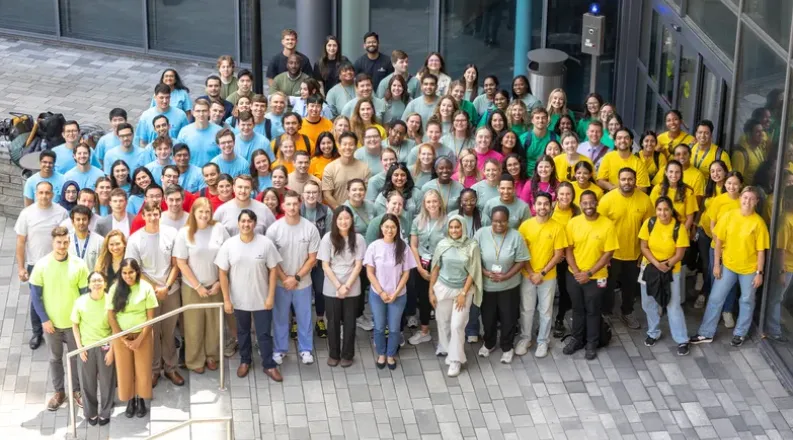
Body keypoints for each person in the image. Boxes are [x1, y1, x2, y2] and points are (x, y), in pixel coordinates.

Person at [691, 187, 769, 347]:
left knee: (747, 301)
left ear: (756, 202)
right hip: (728, 266)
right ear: (740, 198)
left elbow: (761, 252)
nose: (747, 201)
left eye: (751, 199)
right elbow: (718, 241)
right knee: (715, 298)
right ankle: (706, 333)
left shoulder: (759, 223)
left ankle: (740, 334)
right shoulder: (729, 216)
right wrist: (717, 264)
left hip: (749, 270)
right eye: (745, 197)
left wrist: (759, 273)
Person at [216, 209, 283, 381]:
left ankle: (269, 365)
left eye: (250, 221)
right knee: (243, 332)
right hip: (239, 300)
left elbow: (273, 270)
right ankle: (245, 361)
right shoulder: (229, 245)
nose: (246, 224)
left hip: (261, 298)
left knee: (264, 334)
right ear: (238, 223)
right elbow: (222, 273)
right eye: (243, 221)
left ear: (255, 224)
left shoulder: (266, 244)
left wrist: (270, 296)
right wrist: (226, 299)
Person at [30, 226, 89, 411]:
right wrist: (44, 319)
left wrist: (80, 321)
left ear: (69, 242)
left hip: (73, 325)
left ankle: (76, 391)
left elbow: (84, 295)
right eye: (58, 242)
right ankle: (59, 392)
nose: (62, 246)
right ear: (52, 242)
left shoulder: (79, 265)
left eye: (65, 242)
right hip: (52, 326)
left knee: (75, 358)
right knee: (55, 359)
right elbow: (35, 296)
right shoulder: (42, 265)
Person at [124, 201, 182, 388]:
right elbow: (135, 270)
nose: (152, 217)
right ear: (143, 216)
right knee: (152, 332)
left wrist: (167, 286)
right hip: (147, 294)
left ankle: (171, 367)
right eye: (148, 214)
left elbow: (176, 264)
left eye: (155, 214)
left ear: (160, 214)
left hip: (170, 290)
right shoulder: (135, 239)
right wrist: (154, 288)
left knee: (169, 330)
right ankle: (154, 369)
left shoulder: (171, 234)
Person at [174, 198, 229, 375]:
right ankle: (195, 359)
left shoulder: (219, 229)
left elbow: (228, 254)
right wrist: (197, 286)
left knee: (214, 323)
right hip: (192, 287)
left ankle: (212, 355)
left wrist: (220, 282)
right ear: (193, 213)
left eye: (207, 211)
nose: (205, 215)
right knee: (193, 325)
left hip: (215, 284)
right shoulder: (185, 233)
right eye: (201, 212)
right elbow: (181, 263)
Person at [267, 190, 321, 365]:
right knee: (280, 317)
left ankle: (306, 349)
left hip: (303, 283)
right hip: (281, 284)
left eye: (295, 203)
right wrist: (285, 278)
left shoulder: (310, 228)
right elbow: (271, 259)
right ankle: (280, 349)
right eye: (288, 204)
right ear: (282, 206)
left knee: (304, 317)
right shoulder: (274, 229)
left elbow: (312, 258)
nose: (292, 207)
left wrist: (296, 278)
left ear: (300, 204)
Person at [563, 191, 619, 360]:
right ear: (580, 204)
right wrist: (577, 271)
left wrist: (589, 273)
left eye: (591, 202)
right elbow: (568, 249)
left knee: (593, 310)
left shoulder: (607, 225)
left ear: (596, 203)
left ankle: (592, 343)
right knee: (578, 309)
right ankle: (577, 339)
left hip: (597, 277)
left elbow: (608, 253)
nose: (588, 206)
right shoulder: (573, 223)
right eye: (585, 203)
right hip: (574, 275)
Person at [16, 181, 69, 349]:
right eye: (41, 193)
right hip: (35, 264)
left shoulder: (61, 212)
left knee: (59, 295)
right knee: (36, 300)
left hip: (58, 261)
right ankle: (37, 332)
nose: (44, 196)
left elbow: (68, 237)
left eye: (47, 192)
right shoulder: (27, 214)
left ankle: (61, 329)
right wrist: (21, 267)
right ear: (36, 194)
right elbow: (20, 241)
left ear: (52, 194)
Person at [598, 168, 653, 327]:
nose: (627, 182)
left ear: (635, 181)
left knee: (630, 287)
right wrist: (602, 254)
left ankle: (627, 312)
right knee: (608, 286)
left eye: (630, 179)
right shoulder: (607, 199)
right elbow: (600, 227)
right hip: (611, 254)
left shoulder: (644, 200)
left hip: (634, 253)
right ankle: (606, 312)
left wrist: (645, 252)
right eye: (623, 179)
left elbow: (649, 228)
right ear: (618, 180)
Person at [474, 206, 530, 364]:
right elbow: (473, 258)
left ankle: (507, 347)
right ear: (491, 220)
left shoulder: (516, 236)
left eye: (503, 221)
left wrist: (506, 276)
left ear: (508, 220)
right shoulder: (481, 234)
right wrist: (485, 272)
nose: (499, 224)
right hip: (487, 286)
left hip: (509, 286)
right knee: (488, 318)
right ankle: (489, 343)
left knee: (508, 318)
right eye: (496, 221)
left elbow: (522, 260)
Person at [516, 193, 568, 358]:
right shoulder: (525, 226)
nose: (543, 207)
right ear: (534, 205)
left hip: (548, 276)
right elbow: (521, 253)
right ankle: (525, 339)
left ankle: (542, 341)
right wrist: (532, 273)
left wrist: (542, 273)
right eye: (539, 204)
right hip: (527, 275)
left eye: (546, 204)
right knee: (527, 309)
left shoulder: (557, 227)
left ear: (551, 205)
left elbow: (558, 254)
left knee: (545, 310)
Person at [638, 197, 691, 355]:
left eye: (666, 209)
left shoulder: (678, 228)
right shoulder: (650, 223)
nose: (663, 213)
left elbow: (680, 253)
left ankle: (682, 340)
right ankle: (653, 332)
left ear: (671, 210)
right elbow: (643, 246)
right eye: (659, 210)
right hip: (649, 268)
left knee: (673, 305)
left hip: (671, 270)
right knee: (647, 302)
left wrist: (666, 264)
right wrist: (656, 263)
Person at [430, 215, 482, 376]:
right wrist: (431, 290)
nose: (454, 230)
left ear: (463, 227)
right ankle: (445, 347)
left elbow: (473, 271)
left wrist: (464, 293)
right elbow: (436, 268)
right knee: (443, 321)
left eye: (457, 227)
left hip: (462, 291)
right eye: (451, 227)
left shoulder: (472, 246)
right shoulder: (442, 244)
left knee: (457, 325)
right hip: (443, 288)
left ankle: (455, 360)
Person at [106, 258, 157, 418]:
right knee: (125, 369)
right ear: (120, 273)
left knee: (142, 369)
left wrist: (139, 340)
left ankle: (141, 398)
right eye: (125, 273)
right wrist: (122, 339)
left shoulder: (146, 288)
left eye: (131, 272)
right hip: (122, 336)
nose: (128, 276)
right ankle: (130, 400)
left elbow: (151, 318)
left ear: (137, 272)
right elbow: (111, 316)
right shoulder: (115, 289)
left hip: (143, 335)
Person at [365, 214, 416, 370]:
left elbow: (406, 273)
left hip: (397, 295)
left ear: (397, 229)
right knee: (379, 326)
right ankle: (381, 353)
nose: (389, 230)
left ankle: (390, 354)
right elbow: (370, 272)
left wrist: (395, 293)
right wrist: (381, 292)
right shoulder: (374, 246)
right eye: (386, 226)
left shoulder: (403, 248)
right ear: (381, 228)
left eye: (393, 227)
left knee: (394, 328)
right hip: (377, 294)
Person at [317, 205, 366, 366]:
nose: (344, 222)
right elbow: (325, 265)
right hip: (332, 285)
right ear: (335, 220)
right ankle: (334, 354)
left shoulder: (358, 239)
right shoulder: (327, 238)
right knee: (333, 322)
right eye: (340, 219)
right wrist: (339, 286)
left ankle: (348, 354)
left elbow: (358, 265)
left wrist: (347, 286)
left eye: (347, 218)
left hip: (352, 285)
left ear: (352, 220)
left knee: (350, 322)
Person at [71, 271, 114, 426]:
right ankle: (91, 412)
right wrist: (80, 348)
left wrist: (112, 350)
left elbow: (116, 327)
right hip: (87, 348)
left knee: (107, 382)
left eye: (100, 280)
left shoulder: (111, 301)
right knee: (87, 382)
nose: (97, 283)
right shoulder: (80, 302)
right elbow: (75, 325)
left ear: (105, 283)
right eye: (94, 280)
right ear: (88, 284)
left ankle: (105, 412)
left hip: (105, 347)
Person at [407, 190, 448, 346]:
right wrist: (419, 268)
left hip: (441, 264)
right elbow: (414, 245)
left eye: (435, 201)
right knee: (424, 298)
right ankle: (425, 331)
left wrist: (437, 269)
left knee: (441, 299)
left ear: (440, 203)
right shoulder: (418, 221)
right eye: (428, 202)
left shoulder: (447, 221)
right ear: (424, 203)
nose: (432, 204)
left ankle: (445, 334)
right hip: (422, 264)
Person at [300, 180, 333, 337]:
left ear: (319, 194)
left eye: (314, 192)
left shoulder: (326, 211)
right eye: (308, 192)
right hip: (300, 259)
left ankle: (320, 318)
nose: (311, 195)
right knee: (299, 290)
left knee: (320, 290)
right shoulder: (298, 210)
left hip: (319, 259)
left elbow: (328, 237)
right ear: (303, 195)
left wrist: (318, 257)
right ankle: (295, 320)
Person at [321, 131, 372, 208]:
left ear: (355, 147)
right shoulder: (330, 168)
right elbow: (327, 195)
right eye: (344, 144)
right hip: (338, 214)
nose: (347, 147)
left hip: (359, 212)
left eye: (351, 144)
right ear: (339, 146)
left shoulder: (364, 168)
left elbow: (368, 194)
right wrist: (341, 211)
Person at [177, 98, 222, 167]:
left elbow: (222, 155)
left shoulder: (219, 132)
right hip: (191, 174)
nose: (201, 114)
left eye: (204, 111)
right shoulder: (184, 132)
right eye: (198, 111)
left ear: (209, 112)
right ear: (193, 113)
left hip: (213, 174)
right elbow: (178, 156)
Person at [732, 118, 767, 185]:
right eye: (757, 132)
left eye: (762, 131)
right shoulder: (740, 154)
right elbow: (736, 181)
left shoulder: (758, 148)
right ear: (749, 134)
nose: (761, 134)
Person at [67, 205, 103, 270]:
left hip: (92, 279)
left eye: (84, 219)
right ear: (72, 222)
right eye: (78, 219)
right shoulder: (66, 240)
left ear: (89, 221)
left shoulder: (100, 241)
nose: (81, 222)